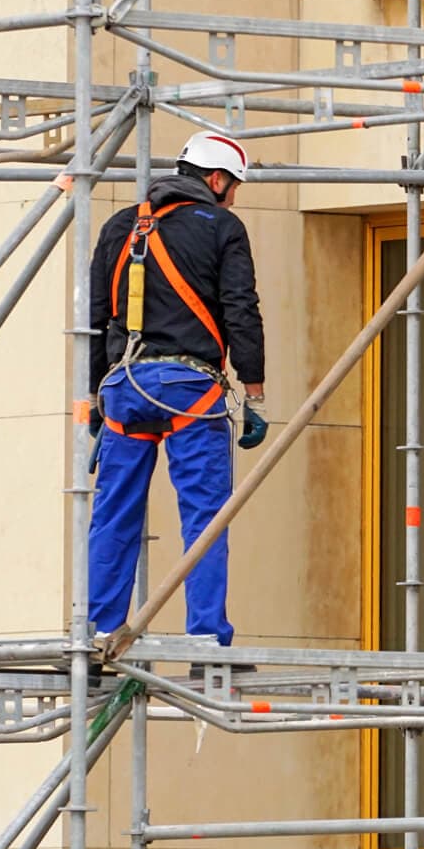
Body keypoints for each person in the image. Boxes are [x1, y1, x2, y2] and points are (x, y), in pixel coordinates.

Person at [87, 131, 268, 652]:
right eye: (231, 186)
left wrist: (94, 402)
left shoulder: (121, 226)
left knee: (114, 514)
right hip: (189, 388)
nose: (232, 197)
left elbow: (96, 321)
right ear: (215, 180)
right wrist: (253, 394)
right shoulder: (223, 227)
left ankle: (101, 632)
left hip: (123, 385)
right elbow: (241, 309)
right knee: (205, 518)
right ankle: (206, 640)